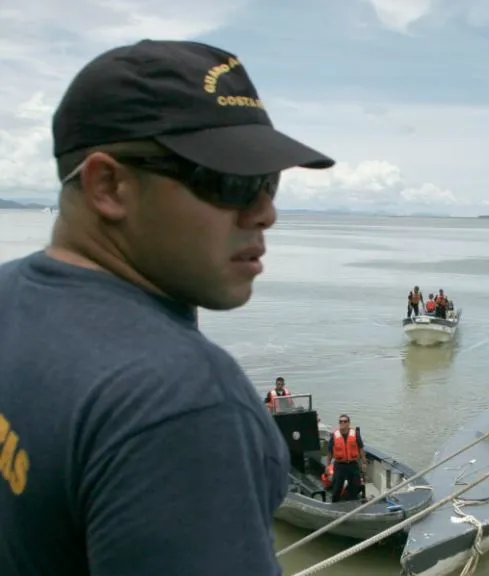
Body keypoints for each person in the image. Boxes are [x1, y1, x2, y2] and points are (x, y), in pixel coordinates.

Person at [0, 39, 334, 576]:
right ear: (108, 185)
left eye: (268, 183)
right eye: (234, 183)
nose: (266, 213)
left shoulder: (10, 295)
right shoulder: (182, 403)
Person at [326, 414, 367, 502]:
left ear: (349, 423)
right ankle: (335, 503)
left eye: (345, 421)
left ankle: (352, 501)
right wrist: (328, 465)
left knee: (356, 485)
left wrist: (364, 462)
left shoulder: (355, 434)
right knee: (337, 486)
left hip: (352, 464)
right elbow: (330, 451)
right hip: (340, 465)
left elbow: (361, 448)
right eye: (341, 421)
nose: (343, 423)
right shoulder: (334, 435)